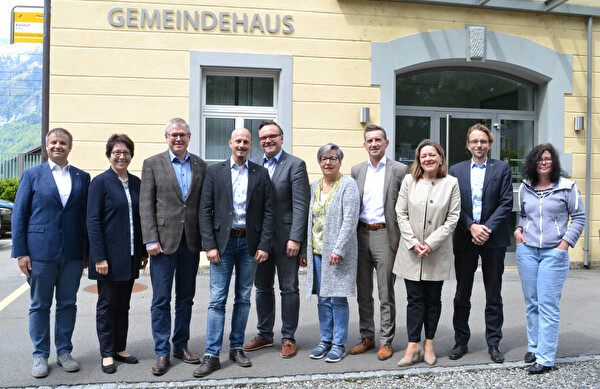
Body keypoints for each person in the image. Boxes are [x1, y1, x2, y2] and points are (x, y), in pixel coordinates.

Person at [12, 128, 90, 378]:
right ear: (46, 146)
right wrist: (21, 252)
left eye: (63, 142)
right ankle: (40, 356)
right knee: (39, 305)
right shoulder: (32, 175)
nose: (58, 146)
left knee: (68, 304)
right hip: (40, 253)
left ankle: (65, 352)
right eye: (54, 142)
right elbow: (19, 215)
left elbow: (86, 217)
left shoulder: (82, 177)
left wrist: (88, 252)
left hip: (73, 253)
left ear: (70, 146)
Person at [196, 128, 274, 377]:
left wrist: (263, 245)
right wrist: (209, 245)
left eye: (246, 142)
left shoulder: (260, 173)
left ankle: (237, 347)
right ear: (230, 143)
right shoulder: (215, 171)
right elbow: (204, 210)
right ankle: (211, 354)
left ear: (252, 146)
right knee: (217, 300)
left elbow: (268, 212)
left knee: (243, 298)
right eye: (237, 141)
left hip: (249, 246)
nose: (241, 145)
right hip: (223, 244)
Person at [140, 118, 208, 376]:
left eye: (182, 135)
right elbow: (146, 205)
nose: (178, 139)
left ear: (189, 137)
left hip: (190, 242)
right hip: (162, 244)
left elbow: (203, 204)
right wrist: (150, 239)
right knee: (160, 300)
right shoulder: (152, 164)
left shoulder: (200, 165)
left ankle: (180, 345)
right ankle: (161, 351)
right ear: (166, 137)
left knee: (185, 298)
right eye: (173, 135)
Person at [514, 143, 585, 374]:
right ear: (532, 163)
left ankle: (545, 358)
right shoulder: (526, 187)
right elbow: (523, 216)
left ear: (554, 162)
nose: (544, 162)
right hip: (527, 251)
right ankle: (534, 347)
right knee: (532, 303)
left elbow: (580, 217)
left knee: (548, 305)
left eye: (548, 158)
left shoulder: (567, 187)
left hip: (553, 253)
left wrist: (563, 245)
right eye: (539, 159)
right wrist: (518, 231)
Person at [244, 120, 309, 359]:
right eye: (263, 138)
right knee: (261, 287)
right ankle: (264, 334)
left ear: (281, 138)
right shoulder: (253, 165)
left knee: (289, 288)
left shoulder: (295, 165)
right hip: (261, 240)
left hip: (286, 239)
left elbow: (301, 205)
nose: (267, 141)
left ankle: (288, 337)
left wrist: (296, 238)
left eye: (272, 136)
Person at [448, 124, 513, 364]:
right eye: (474, 141)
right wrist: (471, 226)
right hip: (465, 238)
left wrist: (486, 228)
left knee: (493, 294)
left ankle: (494, 343)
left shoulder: (502, 168)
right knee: (462, 294)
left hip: (493, 239)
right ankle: (460, 341)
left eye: (483, 141)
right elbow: (453, 205)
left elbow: (506, 203)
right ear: (467, 144)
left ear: (489, 144)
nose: (479, 145)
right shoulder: (456, 170)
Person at [394, 139, 460, 367]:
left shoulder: (451, 183)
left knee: (433, 300)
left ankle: (429, 344)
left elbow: (453, 218)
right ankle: (413, 346)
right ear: (418, 159)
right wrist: (413, 243)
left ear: (440, 158)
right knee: (414, 301)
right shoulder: (408, 181)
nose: (428, 159)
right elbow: (400, 213)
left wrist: (431, 243)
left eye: (432, 155)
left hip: (437, 252)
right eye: (424, 156)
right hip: (411, 252)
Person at [86, 134, 148, 374]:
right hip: (108, 259)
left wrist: (142, 252)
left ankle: (120, 347)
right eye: (117, 152)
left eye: (126, 152)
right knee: (107, 305)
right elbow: (92, 221)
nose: (122, 156)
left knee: (124, 305)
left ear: (131, 156)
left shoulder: (136, 183)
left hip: (130, 256)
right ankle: (107, 353)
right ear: (109, 155)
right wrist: (98, 256)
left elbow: (140, 220)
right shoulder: (100, 182)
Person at [350, 125, 409, 361]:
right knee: (363, 292)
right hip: (360, 235)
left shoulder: (399, 170)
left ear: (386, 143)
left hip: (386, 235)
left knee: (386, 292)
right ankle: (367, 337)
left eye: (378, 140)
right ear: (364, 145)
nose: (373, 144)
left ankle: (386, 341)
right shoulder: (356, 170)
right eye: (369, 140)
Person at [304, 143, 359, 363]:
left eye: (333, 158)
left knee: (337, 298)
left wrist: (339, 249)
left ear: (340, 162)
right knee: (323, 299)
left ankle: (339, 343)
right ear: (319, 162)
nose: (328, 162)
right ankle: (325, 340)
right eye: (324, 158)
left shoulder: (348, 185)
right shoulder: (314, 186)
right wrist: (305, 249)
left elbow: (350, 220)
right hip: (317, 251)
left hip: (337, 253)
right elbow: (311, 220)